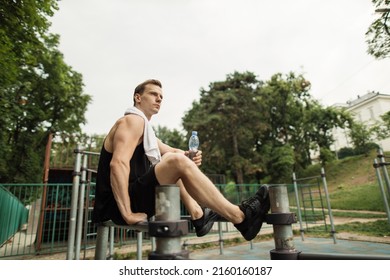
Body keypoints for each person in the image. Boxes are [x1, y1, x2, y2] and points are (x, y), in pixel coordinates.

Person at [92, 79, 270, 241]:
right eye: (153, 94)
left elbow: (173, 152)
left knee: (173, 158)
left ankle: (198, 214)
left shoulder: (145, 130)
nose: (159, 99)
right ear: (138, 98)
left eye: (161, 96)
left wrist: (190, 156)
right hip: (116, 206)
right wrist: (128, 214)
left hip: (132, 197)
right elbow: (118, 164)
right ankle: (240, 216)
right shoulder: (132, 121)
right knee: (174, 161)